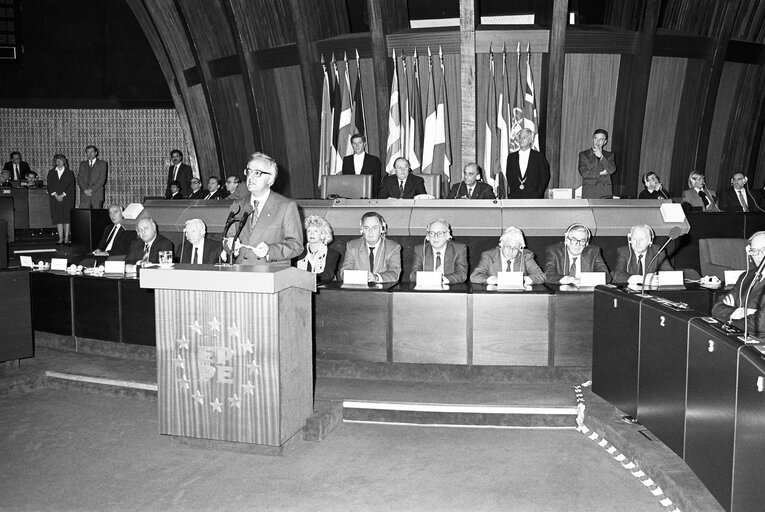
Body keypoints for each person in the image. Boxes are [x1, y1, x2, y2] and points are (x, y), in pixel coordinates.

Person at [225, 152, 303, 264]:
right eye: (249, 171)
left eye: (257, 173)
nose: (250, 177)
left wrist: (270, 250)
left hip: (270, 273)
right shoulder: (238, 205)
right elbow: (227, 238)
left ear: (270, 180)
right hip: (241, 272)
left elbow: (296, 246)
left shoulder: (286, 206)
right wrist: (231, 246)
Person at [712, 231, 765, 336]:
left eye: (764, 250)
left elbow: (761, 322)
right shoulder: (746, 277)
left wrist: (730, 321)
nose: (759, 256)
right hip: (737, 338)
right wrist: (744, 311)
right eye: (754, 251)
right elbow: (717, 308)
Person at [338, 211, 401, 283]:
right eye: (366, 228)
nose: (370, 232)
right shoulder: (352, 246)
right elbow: (344, 273)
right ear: (361, 230)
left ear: (382, 229)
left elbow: (395, 274)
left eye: (374, 228)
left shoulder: (393, 248)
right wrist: (362, 277)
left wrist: (376, 277)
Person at [470, 226, 544, 285]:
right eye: (508, 247)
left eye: (515, 248)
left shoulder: (526, 256)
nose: (511, 251)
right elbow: (475, 276)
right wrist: (495, 280)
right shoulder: (489, 256)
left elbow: (541, 276)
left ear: (520, 249)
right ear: (501, 245)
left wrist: (523, 280)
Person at [544, 224, 611, 284]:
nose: (578, 245)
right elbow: (548, 275)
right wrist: (569, 279)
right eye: (574, 240)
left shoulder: (593, 252)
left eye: (582, 241)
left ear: (586, 243)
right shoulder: (554, 251)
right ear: (566, 240)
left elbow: (606, 276)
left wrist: (583, 280)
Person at [409, 218, 468, 285]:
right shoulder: (419, 250)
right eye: (432, 233)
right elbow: (413, 276)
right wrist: (433, 279)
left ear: (448, 235)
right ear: (427, 236)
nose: (435, 237)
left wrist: (440, 279)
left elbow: (462, 275)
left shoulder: (459, 249)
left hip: (449, 290)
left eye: (440, 233)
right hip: (427, 289)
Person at [294, 215, 340, 285]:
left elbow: (327, 276)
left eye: (316, 231)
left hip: (324, 291)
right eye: (309, 231)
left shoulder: (333, 254)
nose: (311, 234)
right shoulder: (298, 252)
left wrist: (306, 279)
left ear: (323, 235)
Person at [506, 129, 550, 199]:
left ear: (530, 140)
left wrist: (538, 193)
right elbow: (509, 176)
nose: (521, 140)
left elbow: (545, 176)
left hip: (533, 197)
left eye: (524, 137)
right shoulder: (511, 157)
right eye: (520, 137)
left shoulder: (539, 157)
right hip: (516, 196)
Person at [47, 153, 76, 246]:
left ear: (64, 161)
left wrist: (62, 195)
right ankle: (60, 238)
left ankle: (67, 238)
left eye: (60, 160)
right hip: (55, 199)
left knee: (66, 218)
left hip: (67, 198)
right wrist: (56, 195)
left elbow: (71, 186)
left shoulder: (69, 172)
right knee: (58, 218)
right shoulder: (51, 172)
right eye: (57, 160)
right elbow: (49, 185)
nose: (58, 162)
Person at [578, 129, 616, 199]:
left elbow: (612, 170)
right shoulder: (584, 154)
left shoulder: (609, 155)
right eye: (596, 138)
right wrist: (600, 173)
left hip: (605, 193)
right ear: (593, 139)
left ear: (605, 142)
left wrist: (601, 157)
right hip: (590, 193)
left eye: (601, 139)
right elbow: (584, 173)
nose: (597, 142)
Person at [341, 134, 382, 198]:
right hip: (350, 197)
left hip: (368, 198)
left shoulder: (374, 160)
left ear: (364, 144)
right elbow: (345, 180)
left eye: (359, 143)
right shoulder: (346, 160)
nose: (357, 145)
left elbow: (376, 182)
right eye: (354, 143)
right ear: (352, 145)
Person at [77, 145, 108, 209]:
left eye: (92, 152)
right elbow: (79, 178)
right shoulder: (82, 164)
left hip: (97, 194)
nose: (90, 154)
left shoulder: (102, 163)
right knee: (83, 215)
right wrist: (85, 190)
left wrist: (91, 190)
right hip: (84, 194)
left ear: (96, 153)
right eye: (88, 152)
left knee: (96, 215)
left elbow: (102, 180)